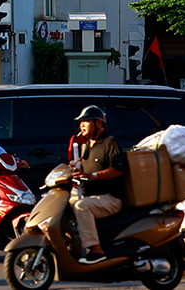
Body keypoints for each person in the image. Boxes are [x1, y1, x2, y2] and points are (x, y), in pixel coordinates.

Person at [68, 104, 126, 264]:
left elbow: (118, 170)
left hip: (110, 198)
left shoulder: (110, 143)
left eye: (86, 121)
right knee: (65, 205)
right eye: (81, 122)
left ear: (99, 123)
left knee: (82, 206)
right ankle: (75, 246)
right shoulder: (86, 146)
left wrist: (92, 175)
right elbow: (83, 169)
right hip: (91, 195)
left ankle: (96, 250)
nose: (81, 125)